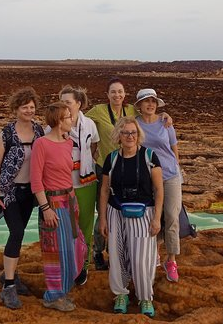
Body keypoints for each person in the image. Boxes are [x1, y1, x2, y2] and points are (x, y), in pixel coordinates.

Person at [85, 77, 172, 270]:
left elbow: (150, 113)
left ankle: (123, 251)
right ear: (107, 94)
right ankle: (98, 252)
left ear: (125, 95)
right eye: (113, 92)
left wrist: (165, 114)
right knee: (104, 212)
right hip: (106, 167)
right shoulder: (98, 111)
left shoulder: (131, 109)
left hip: (129, 166)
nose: (117, 95)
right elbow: (80, 121)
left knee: (125, 209)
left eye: (120, 92)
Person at [98, 116, 163, 318]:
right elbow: (104, 190)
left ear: (138, 135)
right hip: (116, 212)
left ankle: (145, 298)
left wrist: (157, 218)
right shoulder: (112, 158)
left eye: (133, 132)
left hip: (144, 213)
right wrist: (102, 219)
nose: (129, 136)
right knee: (117, 256)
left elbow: (159, 189)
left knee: (141, 258)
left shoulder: (150, 156)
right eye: (125, 132)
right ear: (118, 135)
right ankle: (121, 294)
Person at [0, 88, 44, 310]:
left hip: (29, 193)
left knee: (19, 234)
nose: (29, 111)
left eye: (32, 107)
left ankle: (9, 274)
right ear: (16, 109)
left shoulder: (39, 130)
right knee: (17, 232)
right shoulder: (7, 133)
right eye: (25, 108)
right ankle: (9, 287)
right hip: (9, 192)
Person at [31, 102, 87, 312]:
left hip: (69, 202)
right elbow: (36, 181)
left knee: (75, 247)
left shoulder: (68, 143)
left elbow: (67, 176)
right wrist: (46, 209)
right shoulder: (42, 144)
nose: (71, 120)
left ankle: (62, 290)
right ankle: (53, 296)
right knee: (55, 252)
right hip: (52, 205)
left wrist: (74, 203)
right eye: (67, 117)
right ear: (57, 121)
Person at [135, 88, 182, 283]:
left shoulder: (165, 123)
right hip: (146, 178)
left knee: (171, 216)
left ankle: (171, 261)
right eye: (147, 101)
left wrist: (176, 170)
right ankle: (153, 254)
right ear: (139, 105)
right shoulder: (135, 125)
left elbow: (174, 149)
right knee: (151, 218)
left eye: (154, 101)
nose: (151, 104)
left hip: (170, 175)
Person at [56, 85, 99, 283]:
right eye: (61, 102)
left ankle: (83, 266)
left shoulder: (89, 124)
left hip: (87, 183)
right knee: (66, 228)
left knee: (85, 227)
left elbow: (94, 145)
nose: (64, 106)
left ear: (78, 104)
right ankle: (67, 265)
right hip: (63, 185)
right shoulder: (54, 126)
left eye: (68, 102)